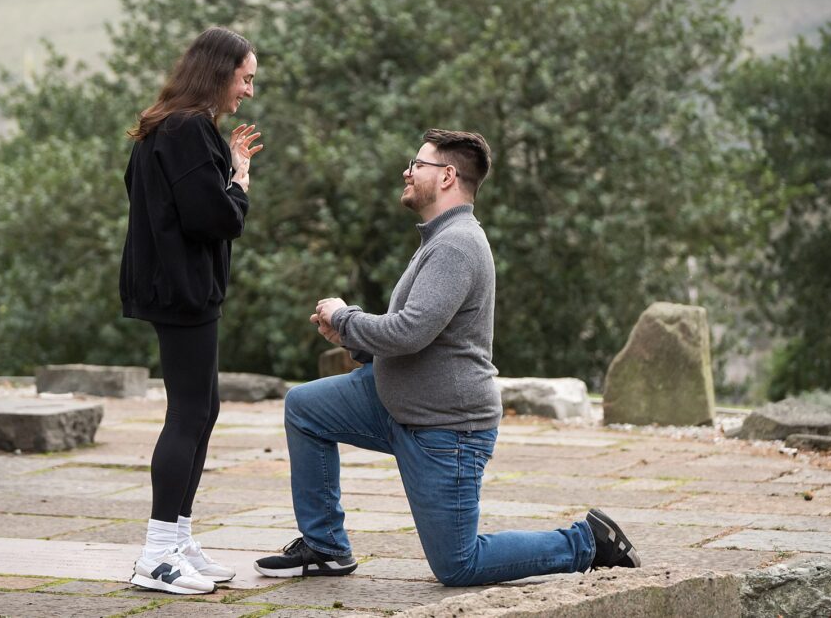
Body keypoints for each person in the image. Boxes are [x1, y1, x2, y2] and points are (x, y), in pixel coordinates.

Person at [254, 129, 640, 586]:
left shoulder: (457, 244)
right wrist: (352, 340)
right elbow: (421, 332)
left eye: (417, 164)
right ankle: (326, 546)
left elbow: (410, 331)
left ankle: (587, 541)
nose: (407, 171)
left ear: (447, 177)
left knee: (459, 565)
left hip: (446, 428)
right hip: (392, 401)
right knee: (305, 408)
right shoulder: (438, 239)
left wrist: (346, 318)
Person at [119, 26, 262, 595]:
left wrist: (223, 168)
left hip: (177, 288)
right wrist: (240, 179)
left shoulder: (169, 127)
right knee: (187, 414)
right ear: (219, 71)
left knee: (205, 408)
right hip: (180, 292)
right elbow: (217, 219)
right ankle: (156, 554)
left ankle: (177, 538)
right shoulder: (187, 129)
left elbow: (166, 200)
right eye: (245, 78)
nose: (247, 91)